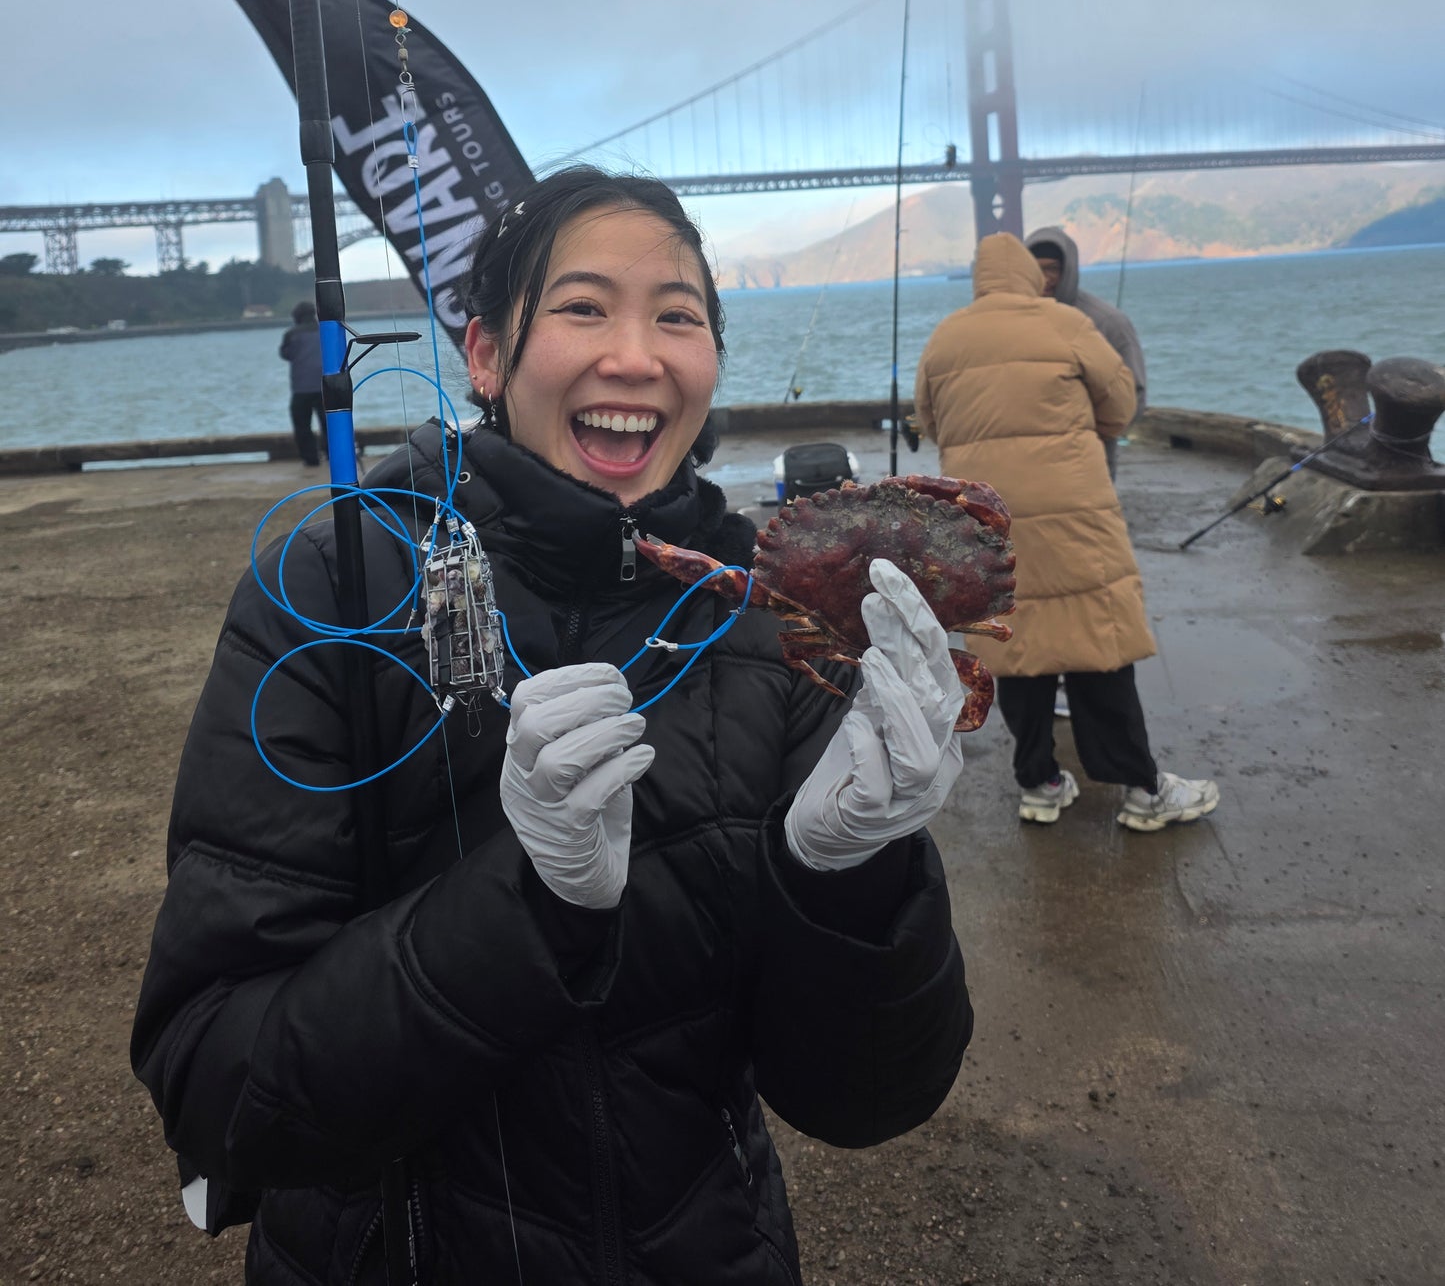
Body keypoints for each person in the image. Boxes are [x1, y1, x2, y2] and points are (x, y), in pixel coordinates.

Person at [132, 167, 973, 1286]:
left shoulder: (762, 616)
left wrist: (849, 875)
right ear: (484, 354)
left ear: (711, 362)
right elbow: (218, 1088)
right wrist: (526, 903)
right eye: (582, 307)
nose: (635, 355)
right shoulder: (338, 590)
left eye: (677, 315)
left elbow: (866, 1098)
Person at [915, 230, 1218, 835]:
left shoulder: (946, 336)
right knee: (1097, 643)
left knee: (1015, 647)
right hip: (1074, 510)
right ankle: (1140, 788)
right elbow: (1120, 408)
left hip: (985, 515)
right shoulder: (1067, 324)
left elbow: (928, 421)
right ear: (1029, 275)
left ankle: (1038, 784)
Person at [1024, 226, 1145, 478]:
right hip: (1028, 462)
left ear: (1068, 269)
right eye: (1036, 267)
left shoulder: (1109, 322)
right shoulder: (1012, 322)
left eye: (1053, 268)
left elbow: (1134, 397)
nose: (1044, 277)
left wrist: (1084, 434)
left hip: (1090, 462)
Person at [279, 298, 324, 467]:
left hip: (301, 388)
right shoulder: (324, 331)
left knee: (302, 426)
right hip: (325, 386)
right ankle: (331, 454)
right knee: (329, 423)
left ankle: (311, 459)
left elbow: (286, 354)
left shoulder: (291, 334)